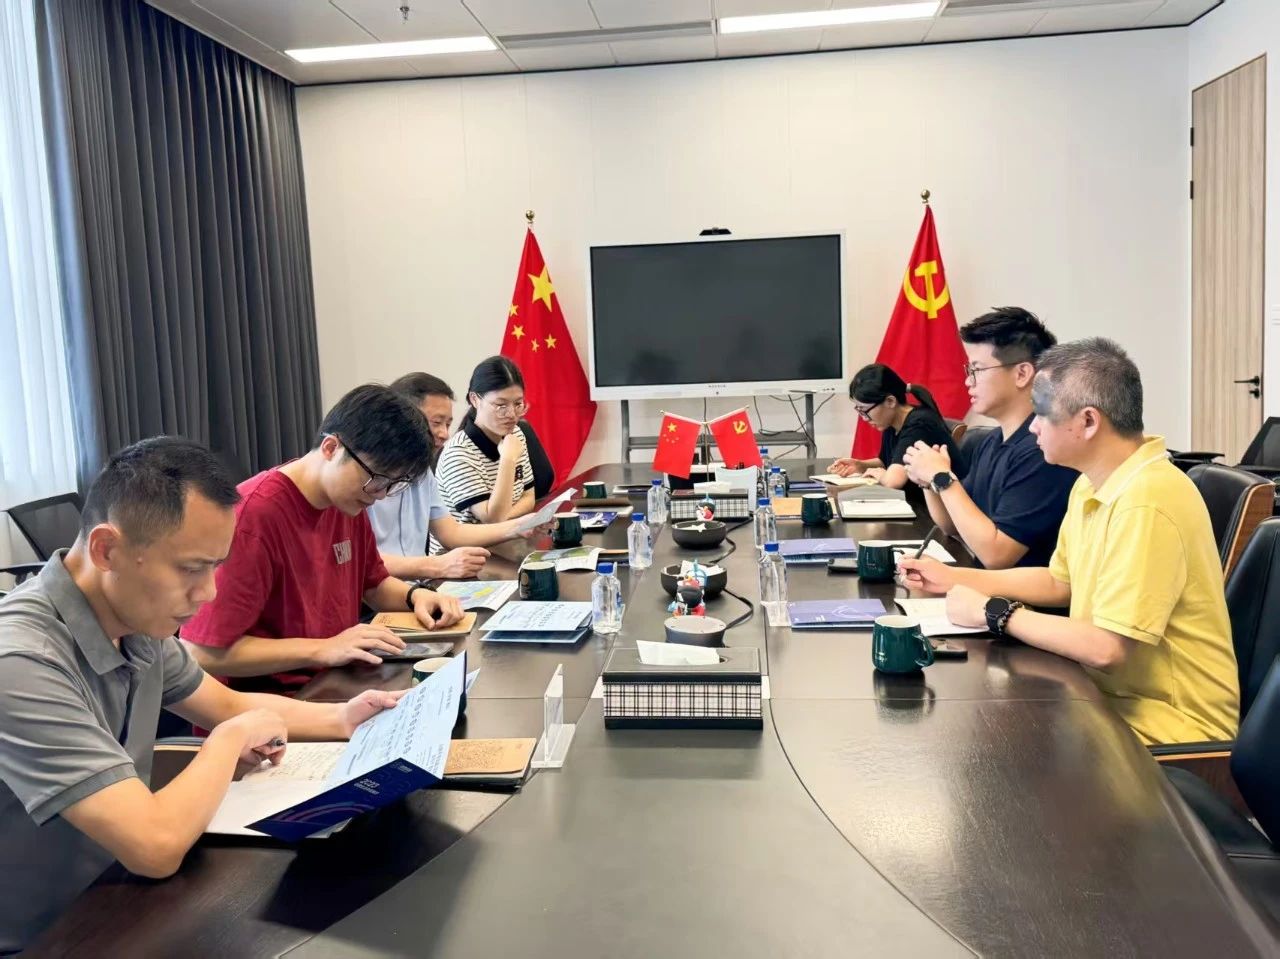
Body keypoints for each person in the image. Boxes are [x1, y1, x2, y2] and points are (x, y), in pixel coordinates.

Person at [0, 438, 408, 953]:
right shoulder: (21, 661)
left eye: (215, 567)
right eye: (191, 568)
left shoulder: (134, 617)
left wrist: (343, 719)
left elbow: (227, 704)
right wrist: (229, 740)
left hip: (118, 895)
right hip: (47, 935)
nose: (209, 592)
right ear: (107, 550)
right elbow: (154, 845)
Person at [899, 338, 1239, 746]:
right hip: (1102, 697)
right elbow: (1060, 582)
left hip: (1169, 726)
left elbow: (1108, 648)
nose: (1034, 427)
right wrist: (954, 577)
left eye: (1042, 414)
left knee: (982, 737)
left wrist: (993, 612)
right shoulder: (1093, 482)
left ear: (1088, 421)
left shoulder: (1147, 500)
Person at [181, 384, 464, 690]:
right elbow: (201, 652)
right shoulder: (254, 516)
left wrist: (415, 596)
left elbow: (373, 583)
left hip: (336, 678)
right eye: (376, 479)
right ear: (331, 448)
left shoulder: (349, 503)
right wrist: (323, 649)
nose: (380, 494)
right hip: (277, 699)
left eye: (392, 485)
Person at [903, 307, 1077, 568]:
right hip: (984, 585)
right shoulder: (992, 441)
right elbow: (953, 525)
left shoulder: (1042, 450)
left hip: (1017, 593)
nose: (968, 382)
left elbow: (997, 555)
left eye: (977, 370)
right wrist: (928, 481)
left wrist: (942, 477)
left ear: (1022, 374)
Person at [368, 372, 543, 582]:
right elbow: (363, 561)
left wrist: (519, 526)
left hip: (418, 584)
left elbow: (451, 533)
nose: (444, 434)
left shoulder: (422, 474)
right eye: (436, 423)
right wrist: (435, 566)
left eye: (448, 424)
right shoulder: (365, 481)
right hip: (388, 590)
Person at [827, 364, 966, 497]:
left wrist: (883, 475)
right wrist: (860, 465)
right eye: (859, 410)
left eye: (865, 410)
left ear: (890, 401)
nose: (864, 418)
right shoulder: (892, 422)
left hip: (939, 507)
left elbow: (893, 481)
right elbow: (887, 462)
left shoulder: (919, 424)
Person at [436, 356, 538, 526]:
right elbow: (492, 519)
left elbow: (528, 498)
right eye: (501, 405)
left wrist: (506, 522)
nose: (512, 414)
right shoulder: (458, 454)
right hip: (468, 543)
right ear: (475, 400)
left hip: (508, 535)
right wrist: (508, 460)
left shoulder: (516, 434)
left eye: (518, 404)